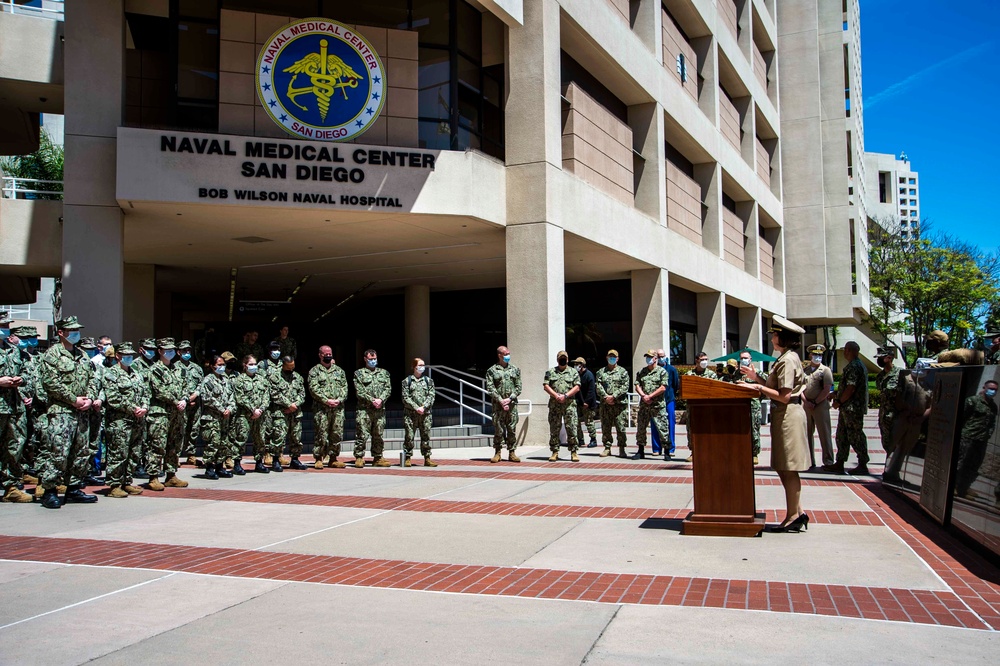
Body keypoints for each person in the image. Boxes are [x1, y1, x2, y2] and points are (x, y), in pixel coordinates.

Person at [743, 316, 810, 532]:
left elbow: (784, 395)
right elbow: (778, 390)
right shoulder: (784, 358)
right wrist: (757, 379)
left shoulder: (788, 360)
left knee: (788, 467)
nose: (772, 337)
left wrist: (759, 389)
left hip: (788, 414)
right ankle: (798, 513)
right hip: (784, 415)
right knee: (783, 466)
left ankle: (792, 516)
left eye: (774, 334)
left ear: (782, 336)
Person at [37, 316, 100, 509]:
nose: (75, 333)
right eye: (71, 330)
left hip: (82, 412)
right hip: (61, 411)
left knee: (80, 452)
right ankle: (50, 490)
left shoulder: (82, 355)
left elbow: (93, 378)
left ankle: (73, 487)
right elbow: (50, 382)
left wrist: (89, 398)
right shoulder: (52, 354)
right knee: (58, 451)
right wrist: (73, 399)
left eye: (77, 330)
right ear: (61, 332)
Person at [102, 342, 148, 497]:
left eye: (131, 355)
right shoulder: (111, 374)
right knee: (118, 452)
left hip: (137, 420)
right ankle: (114, 484)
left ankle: (126, 481)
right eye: (125, 355)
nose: (129, 357)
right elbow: (113, 397)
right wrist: (133, 408)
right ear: (118, 356)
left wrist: (144, 406)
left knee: (134, 452)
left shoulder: (136, 373)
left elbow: (145, 393)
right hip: (119, 421)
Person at [145, 337, 190, 491]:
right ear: (160, 351)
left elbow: (185, 386)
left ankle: (171, 475)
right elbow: (159, 390)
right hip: (161, 413)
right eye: (167, 350)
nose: (170, 353)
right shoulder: (155, 370)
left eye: (172, 350)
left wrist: (184, 399)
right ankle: (153, 476)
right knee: (157, 444)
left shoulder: (178, 369)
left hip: (177, 413)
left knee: (174, 444)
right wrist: (176, 400)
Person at [0, 317, 33, 503]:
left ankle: (11, 486)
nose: (5, 329)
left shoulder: (13, 351)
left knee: (15, 447)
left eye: (6, 326)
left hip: (14, 407)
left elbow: (27, 372)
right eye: (2, 326)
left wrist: (21, 379)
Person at [828, 341, 869, 475]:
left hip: (852, 408)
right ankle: (840, 462)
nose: (844, 352)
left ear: (849, 351)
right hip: (848, 408)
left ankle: (862, 463)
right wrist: (835, 394)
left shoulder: (854, 366)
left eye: (845, 350)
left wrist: (839, 400)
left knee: (855, 436)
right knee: (842, 436)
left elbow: (851, 388)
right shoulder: (855, 365)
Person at [954, 380, 998, 499]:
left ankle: (964, 487)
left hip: (981, 439)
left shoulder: (993, 407)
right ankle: (953, 486)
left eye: (995, 390)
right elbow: (961, 416)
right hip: (968, 436)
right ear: (984, 388)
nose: (993, 392)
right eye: (991, 388)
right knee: (960, 462)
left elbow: (992, 423)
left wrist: (988, 434)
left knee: (973, 465)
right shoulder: (972, 401)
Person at [308, 346, 349, 469]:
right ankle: (319, 458)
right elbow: (313, 389)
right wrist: (326, 400)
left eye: (330, 353)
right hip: (322, 409)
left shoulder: (339, 371)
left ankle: (333, 458)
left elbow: (344, 388)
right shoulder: (314, 371)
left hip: (337, 408)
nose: (328, 355)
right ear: (320, 355)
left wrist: (339, 400)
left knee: (336, 434)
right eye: (326, 354)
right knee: (321, 433)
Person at [726, 351, 770, 466]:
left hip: (754, 406)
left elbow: (767, 387)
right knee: (739, 430)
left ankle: (754, 453)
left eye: (746, 358)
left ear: (750, 359)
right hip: (739, 406)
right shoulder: (736, 374)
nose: (744, 360)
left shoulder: (757, 373)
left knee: (754, 430)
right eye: (741, 358)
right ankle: (741, 451)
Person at [353, 349, 392, 468]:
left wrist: (381, 399)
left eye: (374, 358)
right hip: (364, 410)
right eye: (371, 359)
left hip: (379, 409)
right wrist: (372, 400)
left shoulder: (384, 373)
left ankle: (378, 457)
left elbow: (388, 388)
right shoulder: (359, 373)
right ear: (365, 359)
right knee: (362, 434)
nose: (373, 361)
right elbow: (359, 390)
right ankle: (359, 457)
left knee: (378, 434)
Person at [267, 355, 306, 471]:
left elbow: (302, 394)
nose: (291, 370)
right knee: (278, 437)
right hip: (281, 412)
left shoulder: (297, 377)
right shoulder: (275, 377)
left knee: (296, 437)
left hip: (295, 413)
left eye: (293, 367)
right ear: (283, 365)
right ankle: (275, 460)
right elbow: (274, 394)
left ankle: (295, 459)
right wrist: (289, 404)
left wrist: (295, 405)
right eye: (289, 367)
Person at [200, 355, 235, 480]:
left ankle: (220, 467)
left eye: (223, 364)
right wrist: (221, 409)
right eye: (219, 364)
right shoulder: (208, 380)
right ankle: (209, 468)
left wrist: (229, 408)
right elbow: (207, 398)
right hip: (212, 417)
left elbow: (232, 396)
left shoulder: (226, 379)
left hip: (224, 418)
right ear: (212, 366)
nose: (222, 367)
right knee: (213, 442)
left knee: (223, 443)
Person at [233, 355, 269, 474]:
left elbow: (266, 397)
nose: (254, 367)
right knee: (241, 439)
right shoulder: (239, 380)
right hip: (244, 415)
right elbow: (240, 397)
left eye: (255, 364)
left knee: (260, 439)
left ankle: (259, 462)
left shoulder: (262, 380)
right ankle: (237, 463)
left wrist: (261, 410)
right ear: (245, 365)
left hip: (260, 415)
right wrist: (253, 410)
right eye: (251, 364)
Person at [485, 345, 521, 463]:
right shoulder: (492, 370)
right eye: (505, 354)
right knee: (498, 429)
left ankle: (512, 452)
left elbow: (518, 387)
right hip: (498, 406)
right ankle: (497, 452)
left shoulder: (515, 369)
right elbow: (490, 387)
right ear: (499, 355)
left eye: (508, 353)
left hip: (511, 405)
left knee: (511, 428)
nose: (508, 356)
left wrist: (510, 399)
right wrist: (500, 400)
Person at [633, 349, 671, 461]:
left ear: (655, 358)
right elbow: (637, 385)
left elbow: (663, 387)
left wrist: (651, 396)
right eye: (647, 357)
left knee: (663, 428)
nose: (648, 359)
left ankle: (667, 452)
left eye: (650, 357)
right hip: (644, 405)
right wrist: (643, 395)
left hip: (657, 406)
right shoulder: (642, 372)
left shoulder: (662, 372)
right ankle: (640, 450)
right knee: (641, 428)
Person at [543, 351, 581, 462]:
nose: (563, 360)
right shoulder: (550, 372)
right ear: (557, 359)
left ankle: (573, 451)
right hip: (555, 405)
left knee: (572, 428)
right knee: (554, 429)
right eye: (561, 358)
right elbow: (546, 385)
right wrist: (556, 395)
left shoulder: (573, 372)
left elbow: (577, 387)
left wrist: (565, 396)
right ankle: (554, 451)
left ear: (568, 360)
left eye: (564, 358)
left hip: (569, 405)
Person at [801, 344, 834, 468]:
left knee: (824, 433)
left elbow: (826, 389)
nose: (817, 357)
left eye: (820, 355)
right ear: (810, 355)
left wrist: (815, 402)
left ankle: (828, 461)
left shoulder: (825, 370)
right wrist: (806, 401)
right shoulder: (805, 370)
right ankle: (810, 461)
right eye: (815, 354)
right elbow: (800, 388)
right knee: (807, 434)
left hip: (820, 405)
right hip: (807, 405)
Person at [682, 351, 718, 462]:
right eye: (702, 360)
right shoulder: (689, 375)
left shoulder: (712, 375)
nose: (704, 362)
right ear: (696, 361)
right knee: (692, 430)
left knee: (708, 430)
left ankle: (709, 452)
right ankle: (694, 452)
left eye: (706, 359)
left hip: (707, 408)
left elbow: (715, 390)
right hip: (692, 408)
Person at [401, 357, 437, 467]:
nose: (422, 367)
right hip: (411, 414)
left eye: (423, 365)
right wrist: (416, 407)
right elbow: (405, 397)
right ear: (414, 366)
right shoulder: (407, 381)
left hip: (425, 414)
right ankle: (407, 457)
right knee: (409, 436)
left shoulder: (428, 381)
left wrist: (424, 407)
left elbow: (431, 396)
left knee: (425, 436)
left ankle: (427, 458)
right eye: (420, 365)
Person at [595, 349, 629, 458]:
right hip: (605, 405)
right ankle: (607, 447)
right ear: (606, 357)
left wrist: (614, 396)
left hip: (619, 405)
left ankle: (622, 448)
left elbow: (625, 386)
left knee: (621, 427)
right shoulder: (601, 372)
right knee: (606, 427)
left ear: (618, 358)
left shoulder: (623, 372)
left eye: (614, 357)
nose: (612, 358)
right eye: (610, 356)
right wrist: (606, 397)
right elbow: (598, 386)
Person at [651, 349, 680, 459]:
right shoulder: (653, 370)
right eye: (658, 356)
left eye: (662, 356)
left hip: (669, 400)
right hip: (656, 401)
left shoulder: (671, 370)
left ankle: (671, 448)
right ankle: (656, 448)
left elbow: (676, 385)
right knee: (655, 423)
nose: (660, 358)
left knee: (670, 424)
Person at [874, 346, 901, 455]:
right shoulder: (880, 376)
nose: (879, 360)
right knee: (886, 442)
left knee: (898, 443)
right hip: (884, 415)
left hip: (896, 415)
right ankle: (890, 463)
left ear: (889, 358)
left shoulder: (900, 373)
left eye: (882, 358)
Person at [573, 357, 598, 449]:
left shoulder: (589, 375)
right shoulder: (576, 375)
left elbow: (591, 391)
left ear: (582, 365)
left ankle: (593, 439)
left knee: (589, 422)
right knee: (576, 422)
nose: (575, 366)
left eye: (577, 364)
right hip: (579, 402)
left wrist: (586, 402)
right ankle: (580, 439)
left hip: (589, 404)